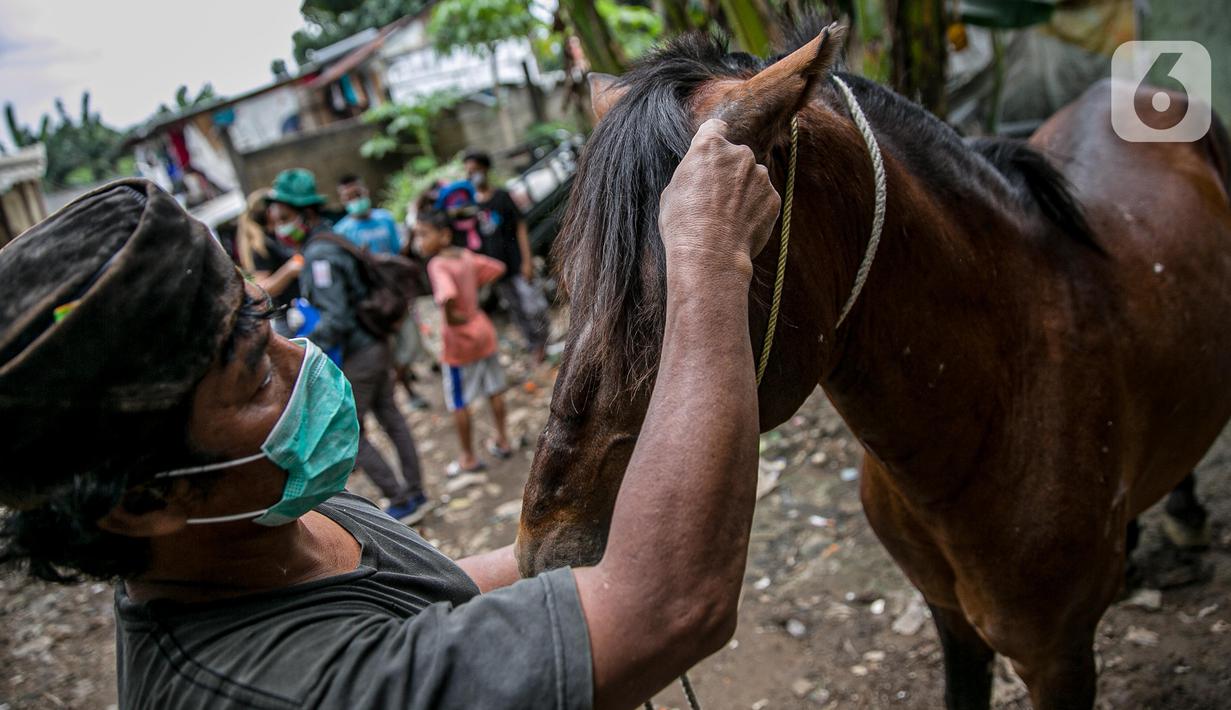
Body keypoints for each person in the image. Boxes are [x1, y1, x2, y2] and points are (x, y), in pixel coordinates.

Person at [0, 119, 779, 709]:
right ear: (141, 503)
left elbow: (430, 590)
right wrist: (710, 256)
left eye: (266, 317)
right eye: (250, 381)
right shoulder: (291, 687)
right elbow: (671, 608)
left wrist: (582, 533)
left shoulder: (253, 519)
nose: (300, 361)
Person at [267, 168, 427, 522]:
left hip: (359, 352)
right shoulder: (333, 240)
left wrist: (300, 352)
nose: (279, 228)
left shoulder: (320, 254)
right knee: (392, 417)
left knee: (345, 432)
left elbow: (335, 317)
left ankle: (400, 497)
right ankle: (415, 492)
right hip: (375, 342)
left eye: (284, 219)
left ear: (306, 215)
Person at [415, 209, 513, 473]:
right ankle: (504, 440)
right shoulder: (466, 257)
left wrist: (452, 317)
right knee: (494, 388)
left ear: (445, 235)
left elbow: (446, 296)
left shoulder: (437, 264)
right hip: (482, 329)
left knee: (459, 401)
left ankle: (468, 456)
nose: (419, 241)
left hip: (460, 340)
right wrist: (474, 293)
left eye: (424, 234)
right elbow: (497, 268)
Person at [334, 174, 430, 410]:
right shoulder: (342, 232)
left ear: (365, 191)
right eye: (349, 197)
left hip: (398, 293)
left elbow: (400, 252)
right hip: (374, 302)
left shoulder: (385, 219)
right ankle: (408, 389)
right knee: (391, 347)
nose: (355, 200)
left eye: (358, 194)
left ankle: (407, 373)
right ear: (342, 200)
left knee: (409, 339)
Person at [464, 151, 550, 363]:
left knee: (533, 306)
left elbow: (520, 227)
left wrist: (527, 260)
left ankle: (544, 340)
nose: (473, 175)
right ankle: (534, 346)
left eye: (476, 170)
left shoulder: (501, 197)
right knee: (516, 310)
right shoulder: (471, 206)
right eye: (469, 172)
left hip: (516, 263)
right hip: (497, 271)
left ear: (485, 170)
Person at [233, 188, 303, 335]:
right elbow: (263, 288)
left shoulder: (277, 236)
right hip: (292, 319)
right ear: (268, 212)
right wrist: (290, 270)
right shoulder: (260, 246)